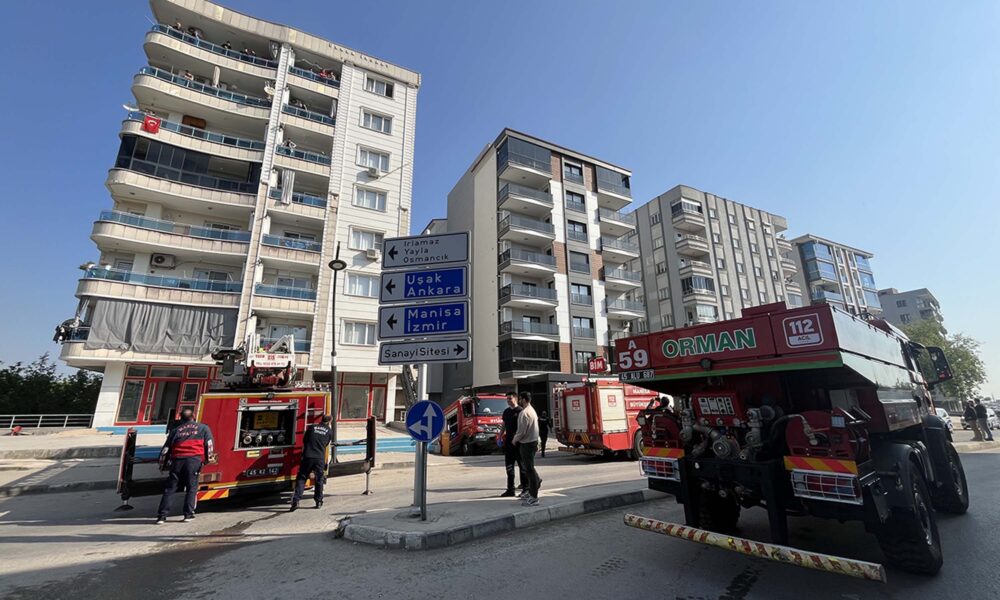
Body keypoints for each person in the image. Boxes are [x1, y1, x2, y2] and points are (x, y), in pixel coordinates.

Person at [156, 408, 214, 524]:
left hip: (177, 461)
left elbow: (166, 449)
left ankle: (162, 516)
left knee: (170, 488)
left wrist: (162, 464)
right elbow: (209, 445)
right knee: (191, 488)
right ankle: (188, 514)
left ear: (181, 418)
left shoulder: (175, 430)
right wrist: (208, 459)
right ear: (194, 416)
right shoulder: (203, 428)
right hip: (193, 461)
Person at [290, 415, 333, 511]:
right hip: (319, 458)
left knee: (302, 478)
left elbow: (305, 440)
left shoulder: (312, 427)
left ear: (321, 420)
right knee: (319, 480)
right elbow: (326, 443)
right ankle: (318, 501)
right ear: (330, 421)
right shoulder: (329, 431)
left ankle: (296, 501)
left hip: (307, 456)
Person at [513, 392, 541, 506]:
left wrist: (514, 439)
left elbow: (521, 431)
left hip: (527, 443)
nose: (519, 401)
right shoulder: (532, 410)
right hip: (533, 442)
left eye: (520, 399)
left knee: (529, 470)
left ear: (524, 400)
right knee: (530, 468)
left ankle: (534, 497)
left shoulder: (524, 413)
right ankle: (536, 483)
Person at [499, 392, 527, 498]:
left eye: (510, 398)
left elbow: (523, 427)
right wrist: (500, 436)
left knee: (522, 467)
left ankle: (525, 488)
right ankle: (510, 489)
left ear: (515, 399)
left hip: (519, 443)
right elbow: (504, 424)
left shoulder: (520, 411)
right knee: (509, 467)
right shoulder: (506, 412)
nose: (508, 400)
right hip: (509, 443)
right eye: (507, 399)